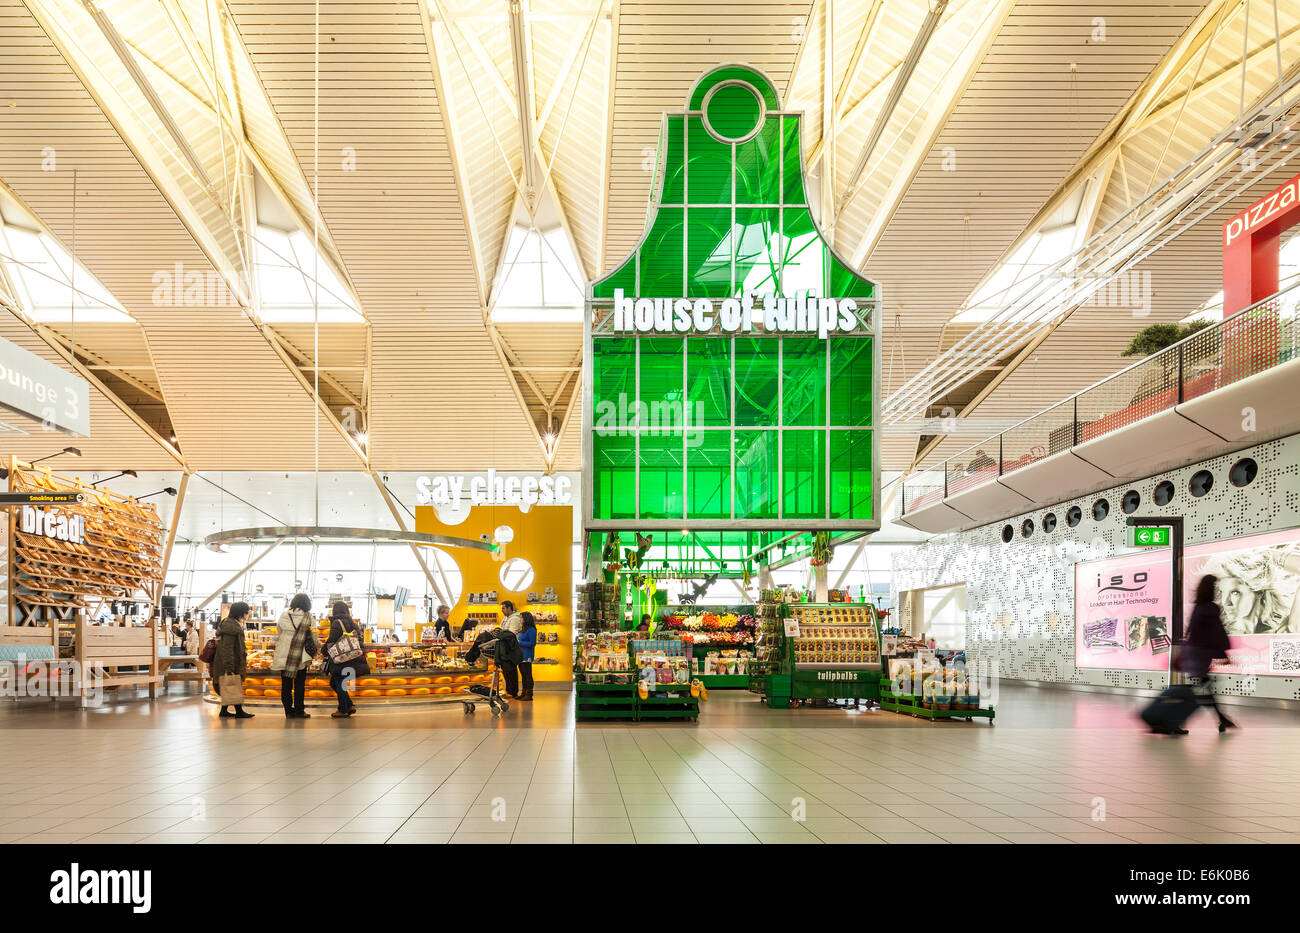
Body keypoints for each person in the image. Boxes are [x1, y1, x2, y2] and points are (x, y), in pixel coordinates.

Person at [1181, 574, 1237, 733]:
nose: (1218, 591)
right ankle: (1177, 720)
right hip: (1201, 656)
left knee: (1202, 689)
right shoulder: (1211, 608)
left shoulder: (1198, 606)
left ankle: (1222, 720)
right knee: (1200, 691)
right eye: (1216, 588)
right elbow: (1217, 632)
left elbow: (1191, 631)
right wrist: (1224, 654)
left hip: (1193, 654)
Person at [272, 593, 319, 719]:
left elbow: (279, 631)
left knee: (286, 684)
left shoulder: (283, 615)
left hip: (284, 654)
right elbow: (314, 637)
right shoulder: (308, 618)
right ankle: (299, 711)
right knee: (299, 685)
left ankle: (288, 711)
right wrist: (317, 648)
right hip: (300, 655)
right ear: (307, 604)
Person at [324, 600, 366, 719]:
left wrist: (323, 650)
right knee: (336, 682)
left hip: (341, 658)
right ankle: (349, 705)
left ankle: (342, 709)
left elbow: (331, 640)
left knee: (338, 681)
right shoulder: (353, 624)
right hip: (353, 658)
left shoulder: (337, 623)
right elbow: (360, 642)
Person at [212, 602, 253, 719]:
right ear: (240, 613)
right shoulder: (231, 627)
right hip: (231, 661)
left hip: (231, 660)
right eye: (246, 612)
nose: (247, 614)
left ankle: (224, 711)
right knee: (233, 684)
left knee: (231, 685)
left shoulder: (231, 624)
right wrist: (229, 667)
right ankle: (239, 711)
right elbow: (227, 649)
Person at [516, 611, 537, 702]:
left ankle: (529, 694)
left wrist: (520, 643)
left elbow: (532, 643)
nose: (520, 619)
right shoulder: (523, 629)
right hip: (521, 655)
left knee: (528, 675)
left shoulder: (531, 630)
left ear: (526, 619)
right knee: (523, 676)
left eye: (521, 618)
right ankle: (523, 693)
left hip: (527, 655)